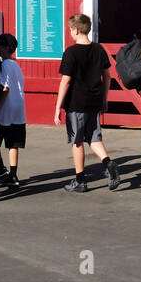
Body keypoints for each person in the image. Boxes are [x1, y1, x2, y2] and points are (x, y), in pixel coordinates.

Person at [54, 13, 120, 193]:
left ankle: (80, 180)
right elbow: (107, 76)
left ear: (75, 30)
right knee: (94, 137)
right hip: (94, 100)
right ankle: (108, 163)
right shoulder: (99, 49)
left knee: (77, 142)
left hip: (76, 102)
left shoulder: (71, 52)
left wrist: (58, 106)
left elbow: (66, 80)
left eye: (70, 30)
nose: (70, 33)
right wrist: (104, 98)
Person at [0, 33, 26, 189]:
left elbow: (5, 88)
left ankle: (1, 168)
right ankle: (13, 174)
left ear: (6, 48)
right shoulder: (16, 65)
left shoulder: (5, 65)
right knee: (13, 143)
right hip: (19, 107)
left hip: (6, 108)